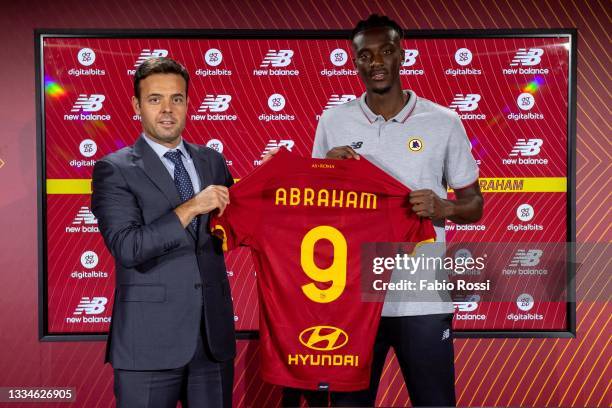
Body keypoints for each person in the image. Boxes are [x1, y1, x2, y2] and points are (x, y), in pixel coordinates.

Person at [312, 15, 484, 407]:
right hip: (353, 298)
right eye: (364, 55)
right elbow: (315, 210)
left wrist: (443, 206)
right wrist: (328, 174)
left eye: (385, 51)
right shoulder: (333, 121)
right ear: (353, 61)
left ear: (401, 54)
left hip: (422, 295)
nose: (375, 62)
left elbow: (475, 205)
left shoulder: (443, 122)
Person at [91, 57, 235, 408]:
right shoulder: (114, 169)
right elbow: (128, 247)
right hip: (147, 345)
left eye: (177, 99)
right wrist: (190, 208)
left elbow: (237, 220)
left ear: (188, 103)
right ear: (137, 106)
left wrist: (274, 175)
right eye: (155, 99)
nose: (168, 109)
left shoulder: (211, 161)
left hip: (211, 341)